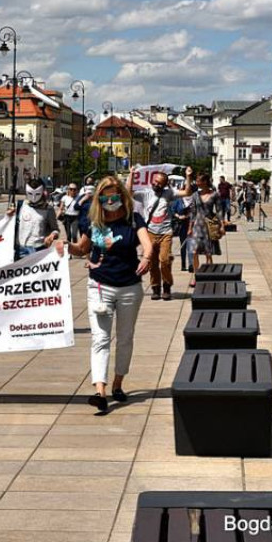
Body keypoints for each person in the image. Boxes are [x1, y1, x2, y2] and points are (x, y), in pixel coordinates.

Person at [55, 175, 152, 415]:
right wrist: (65, 244)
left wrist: (148, 257)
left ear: (122, 195)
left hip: (130, 287)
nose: (110, 200)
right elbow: (81, 249)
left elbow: (147, 243)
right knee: (100, 339)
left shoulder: (133, 219)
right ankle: (100, 391)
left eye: (114, 195)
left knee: (125, 337)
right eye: (105, 196)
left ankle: (118, 383)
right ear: (99, 198)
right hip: (100, 286)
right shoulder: (93, 222)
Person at [131, 167, 194, 300]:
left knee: (164, 260)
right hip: (150, 233)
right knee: (153, 263)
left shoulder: (169, 193)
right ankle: (155, 288)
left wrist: (188, 176)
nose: (156, 184)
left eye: (159, 183)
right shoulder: (145, 193)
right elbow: (128, 192)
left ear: (165, 184)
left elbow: (187, 192)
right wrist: (132, 174)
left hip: (166, 232)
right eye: (155, 181)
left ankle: (166, 285)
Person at [186, 172, 223, 286]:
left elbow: (219, 211)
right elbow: (192, 213)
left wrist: (221, 225)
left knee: (208, 252)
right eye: (196, 181)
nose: (196, 183)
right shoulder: (195, 195)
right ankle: (196, 276)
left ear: (205, 182)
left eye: (198, 181)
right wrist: (190, 227)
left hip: (209, 225)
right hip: (197, 225)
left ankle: (209, 275)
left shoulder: (215, 195)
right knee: (194, 251)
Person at [16, 178, 59, 257]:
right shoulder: (20, 206)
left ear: (42, 192)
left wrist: (52, 236)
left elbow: (55, 230)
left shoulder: (48, 209)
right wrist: (8, 216)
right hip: (20, 250)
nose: (33, 197)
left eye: (37, 194)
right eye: (30, 193)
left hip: (38, 249)